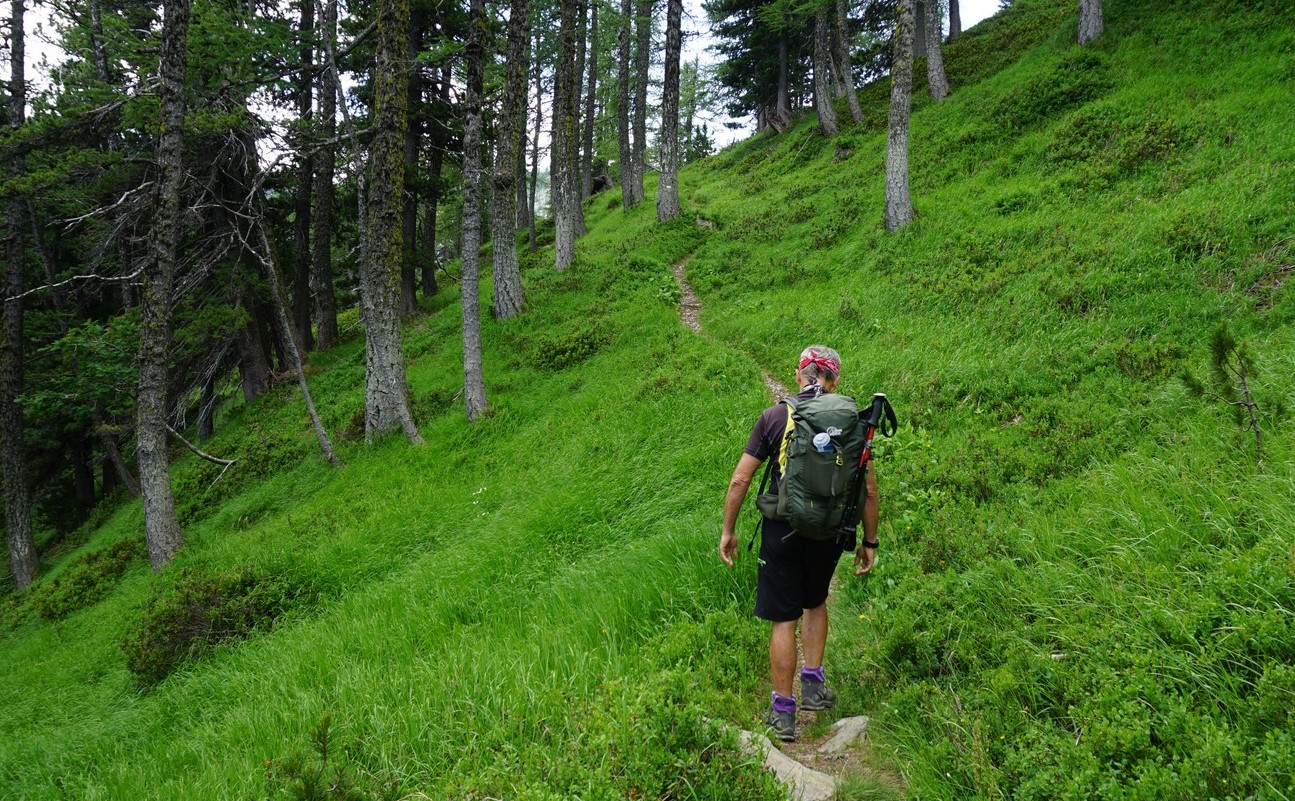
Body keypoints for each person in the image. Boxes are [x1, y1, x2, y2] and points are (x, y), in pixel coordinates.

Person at [719, 345, 880, 743]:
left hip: (782, 531)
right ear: (834, 378)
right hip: (829, 532)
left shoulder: (775, 416)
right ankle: (813, 686)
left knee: (783, 618)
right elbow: (870, 491)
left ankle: (783, 713)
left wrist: (729, 530)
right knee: (816, 601)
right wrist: (869, 541)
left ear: (798, 375)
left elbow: (741, 480)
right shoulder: (849, 419)